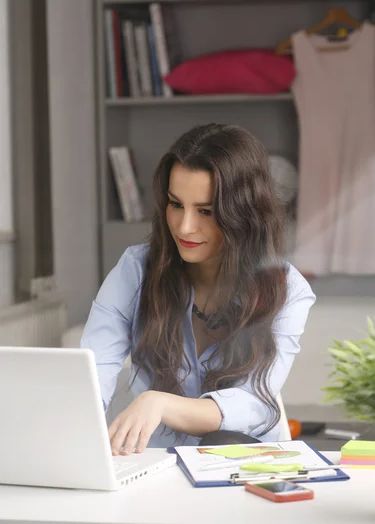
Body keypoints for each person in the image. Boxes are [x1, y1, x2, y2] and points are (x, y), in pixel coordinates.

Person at [81, 123, 315, 455]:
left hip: (245, 467)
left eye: (205, 211)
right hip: (155, 464)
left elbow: (251, 402)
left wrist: (158, 403)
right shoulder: (135, 270)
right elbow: (92, 370)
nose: (184, 226)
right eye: (176, 204)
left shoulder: (286, 289)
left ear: (243, 215)